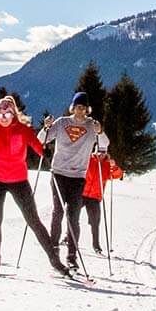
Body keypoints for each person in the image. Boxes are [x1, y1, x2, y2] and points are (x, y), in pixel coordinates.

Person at [0, 95, 69, 277]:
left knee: (33, 220)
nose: (4, 117)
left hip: (19, 181)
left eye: (7, 113)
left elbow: (36, 145)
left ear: (13, 114)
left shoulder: (22, 130)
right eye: (0, 113)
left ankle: (55, 261)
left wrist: (43, 151)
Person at [40, 93, 110, 271]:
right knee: (58, 213)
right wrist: (45, 127)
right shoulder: (62, 122)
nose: (81, 110)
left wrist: (100, 131)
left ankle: (72, 257)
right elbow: (42, 139)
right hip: (58, 174)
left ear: (88, 109)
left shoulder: (91, 126)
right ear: (73, 107)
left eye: (84, 107)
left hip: (78, 177)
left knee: (73, 217)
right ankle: (54, 251)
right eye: (78, 107)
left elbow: (104, 145)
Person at [82, 147, 123, 254]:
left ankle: (96, 245)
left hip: (95, 197)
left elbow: (117, 175)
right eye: (98, 151)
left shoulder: (107, 164)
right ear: (95, 150)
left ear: (106, 153)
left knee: (95, 221)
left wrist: (114, 166)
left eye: (103, 152)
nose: (100, 154)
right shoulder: (88, 159)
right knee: (73, 216)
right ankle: (68, 238)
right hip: (81, 193)